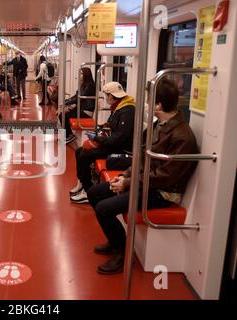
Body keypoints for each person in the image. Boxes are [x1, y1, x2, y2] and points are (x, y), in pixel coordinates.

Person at [87, 78, 199, 275]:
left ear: (159, 105)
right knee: (95, 193)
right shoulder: (158, 125)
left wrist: (128, 183)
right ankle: (115, 241)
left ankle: (121, 253)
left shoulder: (182, 137)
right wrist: (124, 176)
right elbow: (139, 156)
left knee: (104, 209)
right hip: (143, 181)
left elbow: (165, 177)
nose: (147, 103)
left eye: (149, 100)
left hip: (161, 192)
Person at [70, 82, 136, 204]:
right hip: (114, 144)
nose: (105, 98)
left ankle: (87, 190)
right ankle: (82, 183)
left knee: (85, 156)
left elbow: (118, 139)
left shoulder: (127, 111)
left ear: (112, 96)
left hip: (121, 149)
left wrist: (97, 138)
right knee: (79, 151)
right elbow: (111, 125)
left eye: (106, 95)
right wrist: (100, 129)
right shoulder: (118, 107)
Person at [60, 67, 96, 144]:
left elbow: (78, 98)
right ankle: (67, 135)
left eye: (81, 74)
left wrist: (66, 103)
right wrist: (66, 102)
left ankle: (69, 135)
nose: (79, 75)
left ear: (86, 75)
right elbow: (76, 96)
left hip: (86, 112)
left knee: (64, 115)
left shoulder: (90, 86)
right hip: (81, 109)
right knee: (62, 114)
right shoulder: (83, 85)